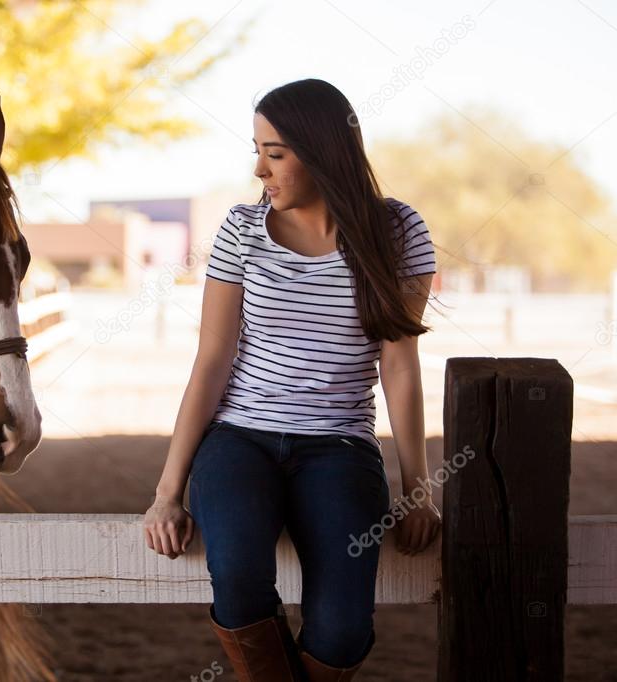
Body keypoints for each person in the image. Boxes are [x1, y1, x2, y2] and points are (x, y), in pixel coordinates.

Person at [142, 78, 442, 682]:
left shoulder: (399, 230)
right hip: (239, 441)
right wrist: (167, 492)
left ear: (324, 150)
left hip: (341, 447)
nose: (260, 169)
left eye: (274, 153)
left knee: (343, 627)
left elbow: (400, 367)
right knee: (239, 577)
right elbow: (211, 362)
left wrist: (418, 487)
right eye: (257, 151)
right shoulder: (241, 231)